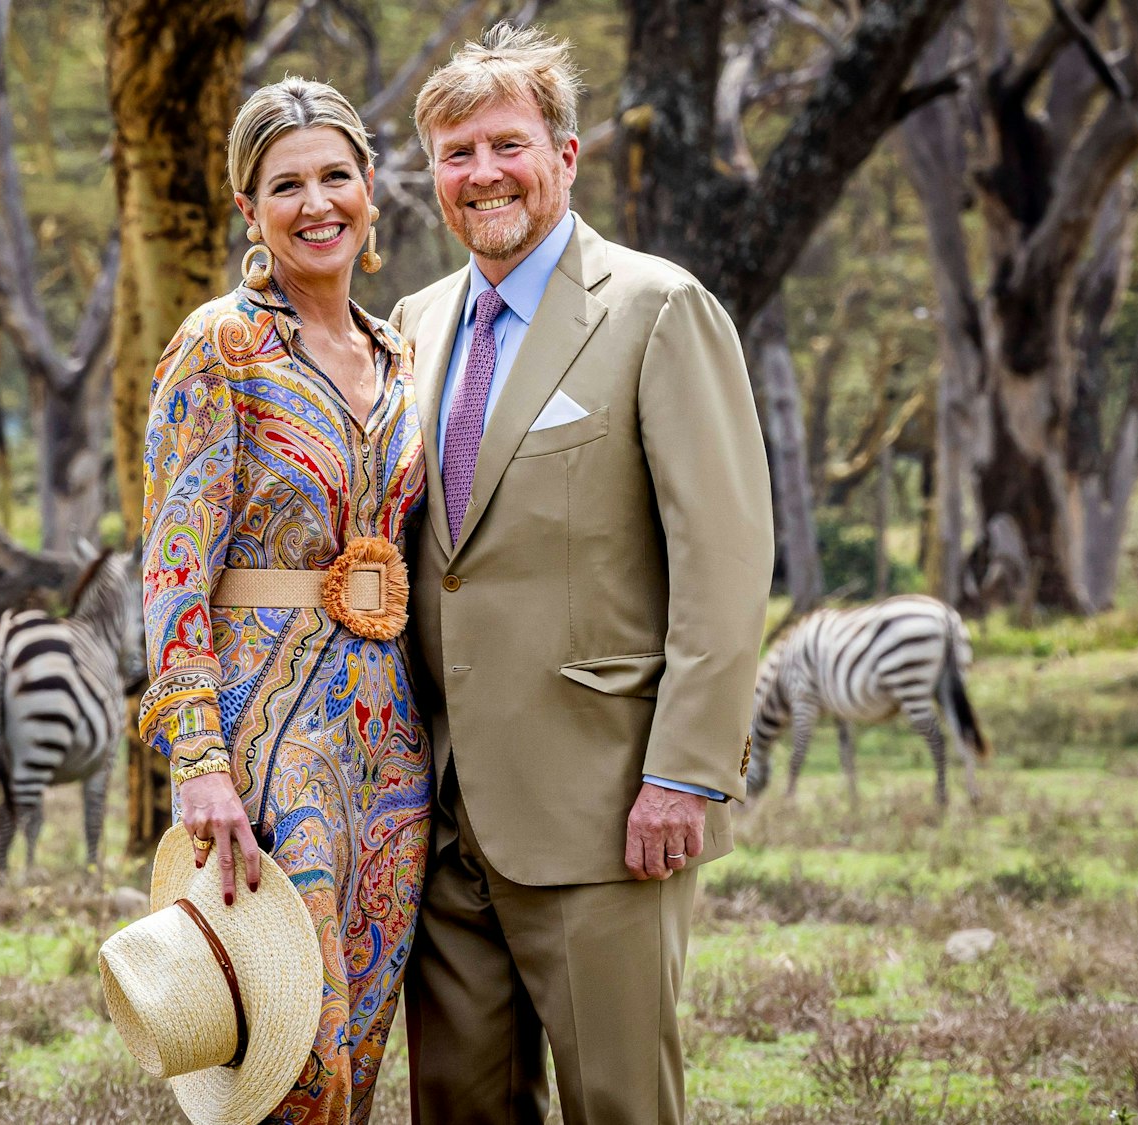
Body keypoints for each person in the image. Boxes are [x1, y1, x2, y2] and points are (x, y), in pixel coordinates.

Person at [391, 24, 774, 1125]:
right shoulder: (414, 324)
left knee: (620, 1104)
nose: (483, 174)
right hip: (438, 815)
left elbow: (724, 560)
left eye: (506, 145)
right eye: (456, 154)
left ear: (564, 155)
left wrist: (685, 774)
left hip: (606, 808)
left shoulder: (657, 308)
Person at [139, 76, 431, 1125]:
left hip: (392, 750)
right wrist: (200, 763)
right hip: (268, 738)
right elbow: (173, 565)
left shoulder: (399, 353)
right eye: (286, 185)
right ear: (247, 209)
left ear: (370, 189)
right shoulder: (220, 345)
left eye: (335, 176)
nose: (317, 204)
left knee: (362, 1042)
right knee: (290, 1049)